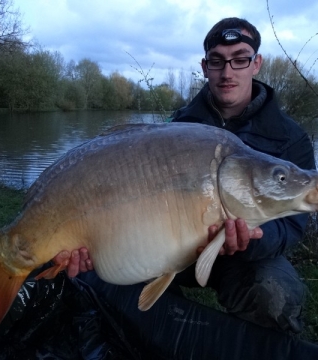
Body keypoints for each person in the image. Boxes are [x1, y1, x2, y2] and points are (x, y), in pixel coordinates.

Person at [54, 17, 316, 334]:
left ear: (256, 63)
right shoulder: (176, 127)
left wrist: (249, 240)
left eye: (240, 59)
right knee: (101, 279)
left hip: (247, 258)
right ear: (205, 67)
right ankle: (148, 336)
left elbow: (291, 227)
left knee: (276, 293)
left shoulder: (291, 139)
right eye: (217, 61)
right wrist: (100, 241)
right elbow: (128, 194)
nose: (228, 72)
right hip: (170, 247)